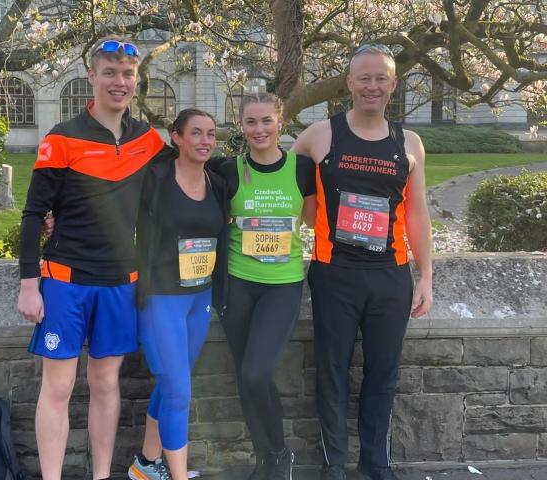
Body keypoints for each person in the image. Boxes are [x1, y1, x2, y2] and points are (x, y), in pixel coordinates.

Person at [17, 36, 167, 480]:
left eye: (127, 74)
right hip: (65, 280)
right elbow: (32, 214)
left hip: (122, 280)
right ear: (92, 78)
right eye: (109, 73)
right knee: (59, 387)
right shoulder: (62, 138)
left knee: (106, 385)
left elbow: (179, 192)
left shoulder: (149, 141)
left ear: (136, 81)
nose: (118, 82)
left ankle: (101, 476)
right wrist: (29, 284)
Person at [292, 44, 433, 480]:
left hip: (390, 277)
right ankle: (334, 465)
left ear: (393, 84)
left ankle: (376, 463)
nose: (372, 86)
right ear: (349, 83)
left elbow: (417, 211)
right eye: (364, 78)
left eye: (381, 78)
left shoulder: (408, 143)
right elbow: (292, 199)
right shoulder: (318, 136)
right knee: (331, 373)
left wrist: (425, 274)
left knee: (382, 374)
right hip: (334, 274)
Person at [209, 93, 316, 480]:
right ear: (241, 125)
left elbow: (320, 221)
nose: (259, 130)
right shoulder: (227, 170)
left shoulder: (302, 169)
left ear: (280, 123)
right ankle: (265, 458)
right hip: (238, 284)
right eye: (251, 122)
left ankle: (281, 453)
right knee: (245, 376)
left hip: (282, 286)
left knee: (256, 373)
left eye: (266, 121)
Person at [127, 109, 230, 480]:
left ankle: (144, 466)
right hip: (162, 300)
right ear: (177, 138)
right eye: (197, 133)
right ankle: (178, 476)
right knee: (179, 392)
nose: (205, 141)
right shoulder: (154, 179)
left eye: (211, 135)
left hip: (198, 300)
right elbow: (111, 206)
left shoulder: (217, 184)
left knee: (174, 383)